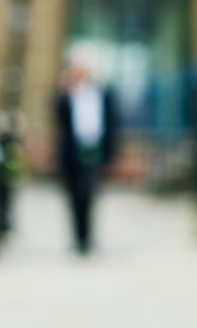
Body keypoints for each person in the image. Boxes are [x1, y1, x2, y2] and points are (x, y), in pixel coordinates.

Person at [54, 59, 118, 255]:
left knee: (90, 193)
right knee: (74, 196)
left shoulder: (102, 92)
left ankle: (88, 238)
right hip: (73, 152)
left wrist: (111, 153)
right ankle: (78, 238)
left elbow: (112, 122)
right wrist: (64, 90)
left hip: (95, 149)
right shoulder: (68, 93)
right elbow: (57, 115)